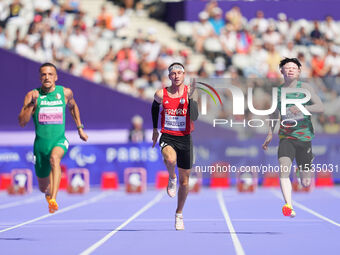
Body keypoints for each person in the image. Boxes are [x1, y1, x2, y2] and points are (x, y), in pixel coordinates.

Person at [18, 63, 88, 213]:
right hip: (40, 146)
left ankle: (54, 199)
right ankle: (50, 193)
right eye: (44, 74)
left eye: (50, 74)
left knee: (55, 159)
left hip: (59, 140)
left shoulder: (65, 93)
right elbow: (22, 122)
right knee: (44, 188)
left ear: (56, 77)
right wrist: (31, 105)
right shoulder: (32, 95)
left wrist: (80, 129)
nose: (47, 77)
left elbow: (73, 107)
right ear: (40, 77)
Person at [262, 58, 324, 217]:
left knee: (305, 183)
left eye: (293, 68)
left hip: (304, 138)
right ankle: (288, 205)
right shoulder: (278, 92)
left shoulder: (305, 88)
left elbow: (320, 107)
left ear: (299, 71)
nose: (290, 70)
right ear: (281, 71)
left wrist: (302, 107)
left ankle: (302, 169)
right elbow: (274, 113)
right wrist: (270, 133)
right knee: (283, 170)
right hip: (286, 137)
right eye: (287, 68)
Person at [151, 62, 198, 230]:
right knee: (170, 160)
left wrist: (191, 98)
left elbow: (196, 116)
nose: (177, 76)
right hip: (168, 136)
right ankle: (172, 177)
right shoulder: (161, 94)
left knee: (185, 183)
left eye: (180, 73)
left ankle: (179, 213)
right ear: (169, 76)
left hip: (185, 138)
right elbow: (155, 107)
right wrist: (156, 129)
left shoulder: (190, 92)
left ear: (184, 75)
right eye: (173, 73)